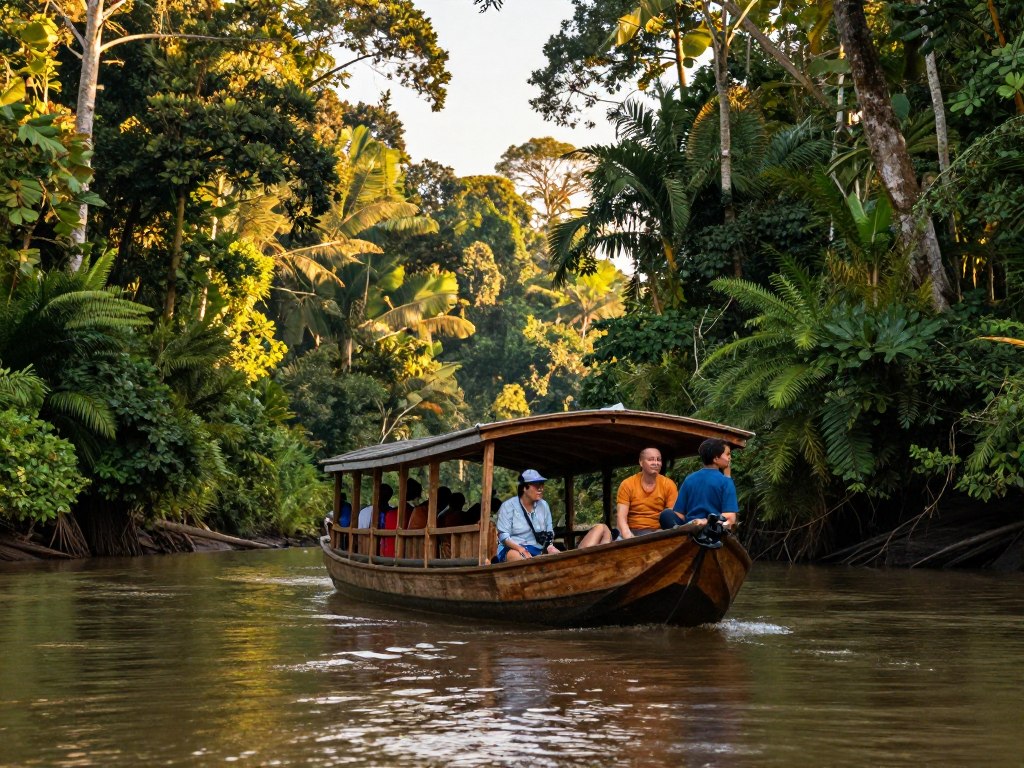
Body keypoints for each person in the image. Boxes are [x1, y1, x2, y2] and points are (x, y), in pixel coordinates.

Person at [495, 470, 612, 562]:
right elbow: (504, 537)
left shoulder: (543, 505)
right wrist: (521, 549)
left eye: (542, 484)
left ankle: (597, 564)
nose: (541, 488)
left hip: (538, 551)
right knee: (518, 557)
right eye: (536, 485)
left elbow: (549, 532)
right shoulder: (508, 506)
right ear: (525, 488)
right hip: (512, 549)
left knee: (602, 528)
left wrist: (550, 547)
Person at [660, 438, 739, 531]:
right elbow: (730, 518)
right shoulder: (725, 481)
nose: (730, 457)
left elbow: (679, 514)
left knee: (666, 514)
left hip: (689, 528)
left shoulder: (690, 479)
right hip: (711, 530)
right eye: (728, 454)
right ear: (716, 458)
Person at [616, 447, 678, 538]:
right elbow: (621, 517)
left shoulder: (669, 484)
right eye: (651, 460)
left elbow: (670, 516)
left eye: (659, 460)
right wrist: (629, 537)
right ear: (641, 462)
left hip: (657, 531)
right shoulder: (627, 484)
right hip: (630, 531)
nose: (656, 463)